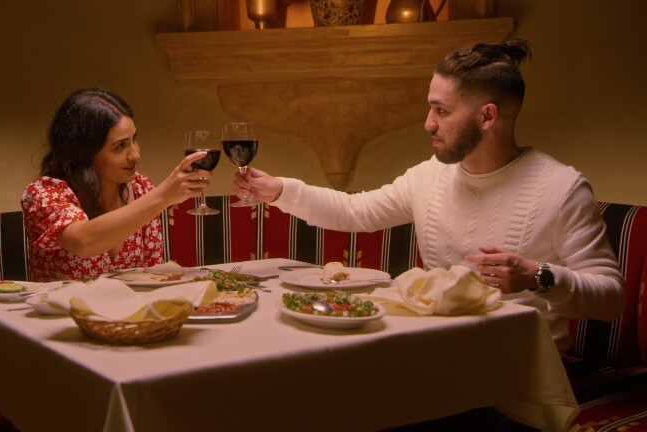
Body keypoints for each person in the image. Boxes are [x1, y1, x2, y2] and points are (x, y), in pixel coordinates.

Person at [232, 39, 625, 353]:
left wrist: (537, 276)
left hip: (521, 366)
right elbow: (355, 212)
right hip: (436, 353)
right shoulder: (430, 176)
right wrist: (280, 190)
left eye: (441, 110)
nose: (428, 123)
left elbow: (611, 299)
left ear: (487, 117)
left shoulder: (561, 188)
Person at [22, 87, 211, 282]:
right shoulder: (44, 193)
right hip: (62, 310)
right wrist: (163, 196)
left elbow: (154, 273)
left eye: (134, 140)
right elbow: (83, 242)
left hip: (132, 311)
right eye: (120, 146)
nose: (135, 154)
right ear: (85, 153)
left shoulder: (140, 187)